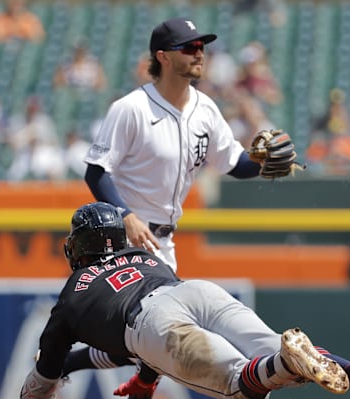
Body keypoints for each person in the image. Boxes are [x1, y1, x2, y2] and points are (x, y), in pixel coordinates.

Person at [19, 202, 350, 399]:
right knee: (270, 345)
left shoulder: (74, 294)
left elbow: (45, 372)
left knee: (244, 385)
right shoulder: (144, 256)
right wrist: (128, 373)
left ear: (79, 246)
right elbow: (134, 355)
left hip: (152, 324)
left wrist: (39, 388)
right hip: (194, 292)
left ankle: (285, 362)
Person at [83, 17, 297, 272]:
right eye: (189, 48)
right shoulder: (131, 108)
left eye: (201, 47)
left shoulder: (205, 109)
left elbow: (234, 164)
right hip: (122, 241)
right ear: (163, 57)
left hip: (163, 244)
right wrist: (126, 216)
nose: (199, 54)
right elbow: (95, 172)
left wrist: (259, 161)